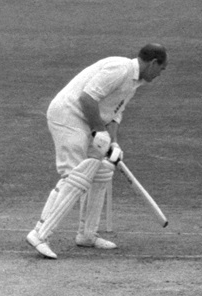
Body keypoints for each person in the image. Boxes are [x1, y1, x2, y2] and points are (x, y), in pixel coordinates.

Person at [27, 44, 167, 259]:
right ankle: (40, 234)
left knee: (103, 169)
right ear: (153, 63)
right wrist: (99, 131)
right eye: (161, 69)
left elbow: (114, 114)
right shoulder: (120, 68)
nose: (159, 74)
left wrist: (114, 143)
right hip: (68, 115)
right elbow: (87, 99)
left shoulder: (134, 82)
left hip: (85, 120)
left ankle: (87, 235)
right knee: (75, 176)